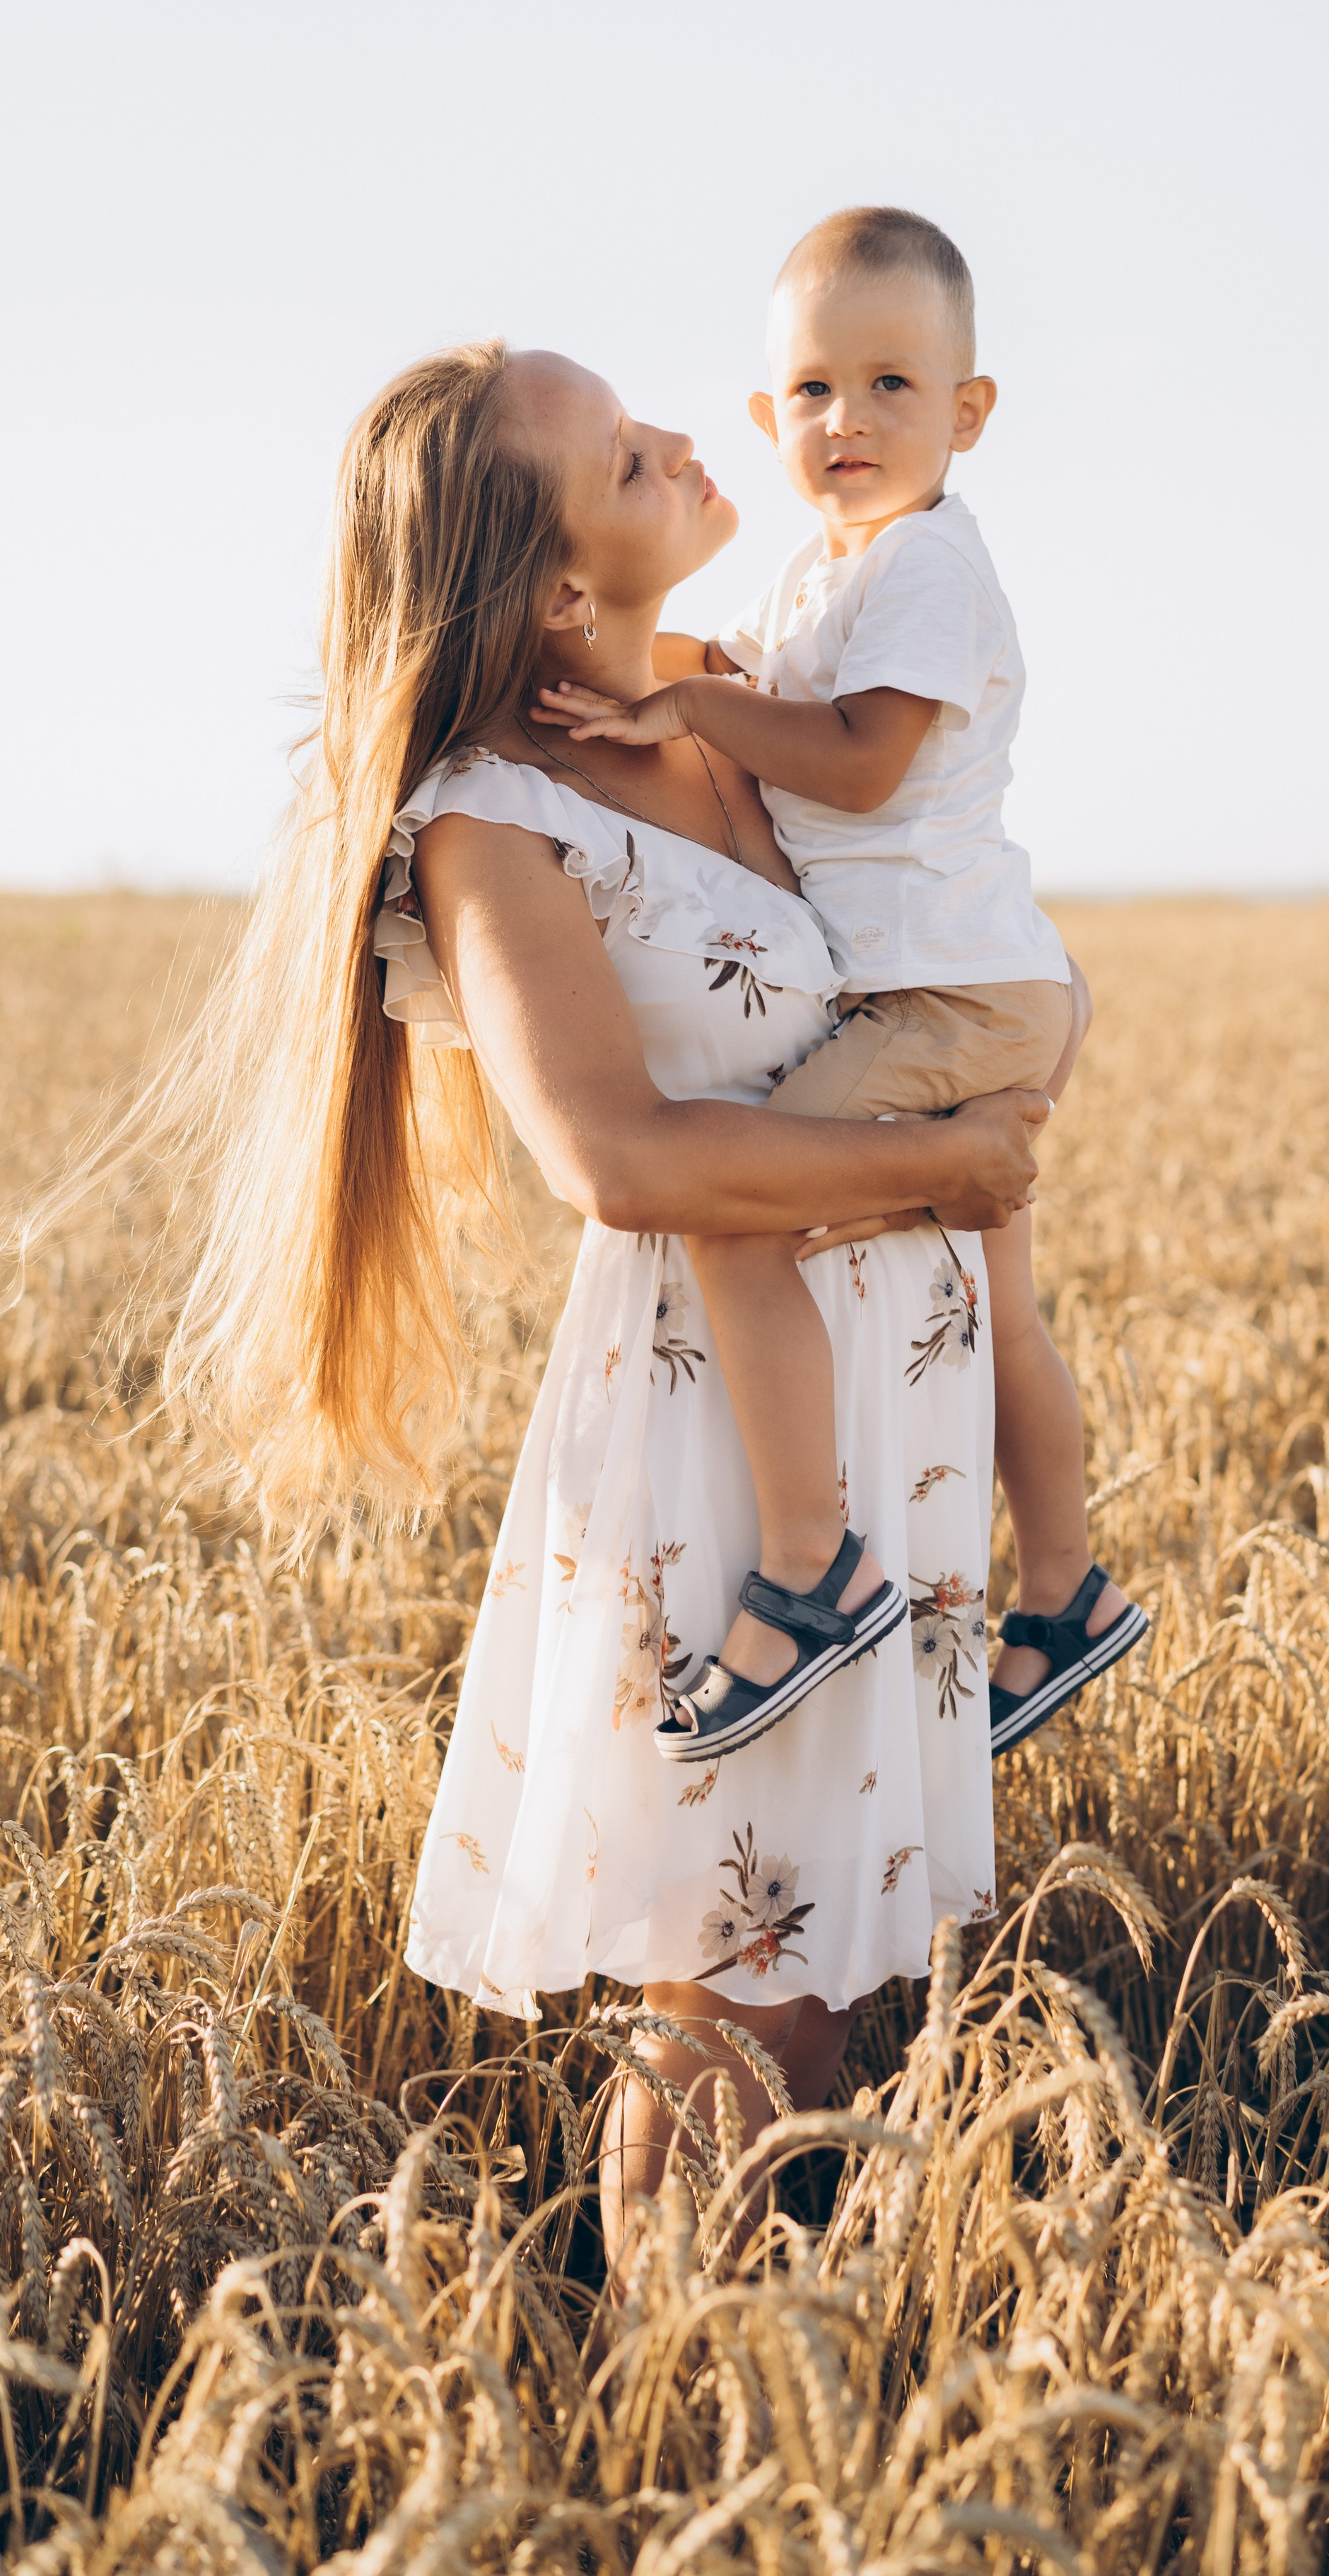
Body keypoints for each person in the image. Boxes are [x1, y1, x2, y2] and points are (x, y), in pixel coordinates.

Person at [112, 338, 1046, 2253]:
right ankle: (676, 2451)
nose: (696, 445)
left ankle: (803, 2485)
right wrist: (947, 1170)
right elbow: (616, 1160)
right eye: (628, 459)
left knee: (839, 1985)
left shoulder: (723, 726)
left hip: (888, 1410)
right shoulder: (489, 815)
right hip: (728, 1455)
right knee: (733, 2010)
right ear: (552, 586)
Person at [534, 208, 1148, 1768]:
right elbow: (731, 671)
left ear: (967, 415)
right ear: (768, 416)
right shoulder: (828, 570)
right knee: (1001, 1303)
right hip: (974, 980)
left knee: (737, 1223)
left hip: (944, 1001)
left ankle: (814, 1566)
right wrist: (597, 663)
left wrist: (677, 702)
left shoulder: (926, 568)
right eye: (811, 391)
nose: (846, 422)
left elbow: (863, 771)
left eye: (890, 385)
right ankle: (1064, 1592)